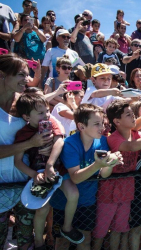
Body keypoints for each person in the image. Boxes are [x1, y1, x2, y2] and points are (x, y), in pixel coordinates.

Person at [92, 100, 141, 250]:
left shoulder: (138, 134)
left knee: (119, 230)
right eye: (128, 114)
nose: (133, 117)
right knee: (100, 232)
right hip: (108, 190)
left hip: (128, 189)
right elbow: (131, 146)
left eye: (132, 113)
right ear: (117, 121)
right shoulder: (113, 138)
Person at [13, 93, 83, 249]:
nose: (46, 115)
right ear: (26, 117)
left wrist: (50, 164)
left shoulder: (52, 122)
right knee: (43, 209)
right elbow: (17, 162)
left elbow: (59, 142)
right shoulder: (23, 134)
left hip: (58, 170)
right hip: (39, 174)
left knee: (73, 194)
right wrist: (34, 174)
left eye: (47, 111)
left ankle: (67, 227)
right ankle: (39, 242)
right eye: (40, 113)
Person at [49, 103, 122, 250]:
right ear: (81, 126)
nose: (102, 127)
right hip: (63, 203)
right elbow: (75, 178)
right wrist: (97, 164)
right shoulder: (69, 144)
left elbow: (103, 174)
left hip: (87, 201)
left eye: (102, 123)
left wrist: (109, 164)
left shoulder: (102, 141)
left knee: (85, 241)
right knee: (62, 243)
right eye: (96, 124)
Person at [0, 53, 53, 249]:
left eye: (28, 74)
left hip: (24, 182)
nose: (27, 79)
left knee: (25, 239)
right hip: (1, 187)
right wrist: (29, 143)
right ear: (2, 75)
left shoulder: (25, 102)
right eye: (21, 74)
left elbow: (53, 125)